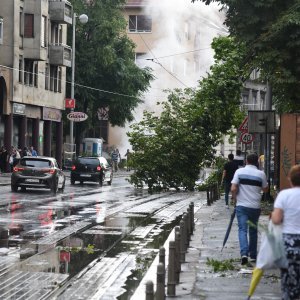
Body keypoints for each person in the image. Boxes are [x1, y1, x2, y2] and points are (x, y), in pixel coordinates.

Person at [231, 153, 268, 265]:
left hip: (242, 206)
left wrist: (235, 198)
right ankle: (253, 255)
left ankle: (244, 254)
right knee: (253, 230)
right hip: (255, 207)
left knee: (242, 229)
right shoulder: (261, 174)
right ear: (257, 161)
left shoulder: (239, 172)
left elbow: (233, 188)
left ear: (246, 161)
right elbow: (265, 189)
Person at [271, 164, 300, 300]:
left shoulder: (284, 195)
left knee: (288, 279)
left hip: (289, 243)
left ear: (290, 179)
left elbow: (276, 219)